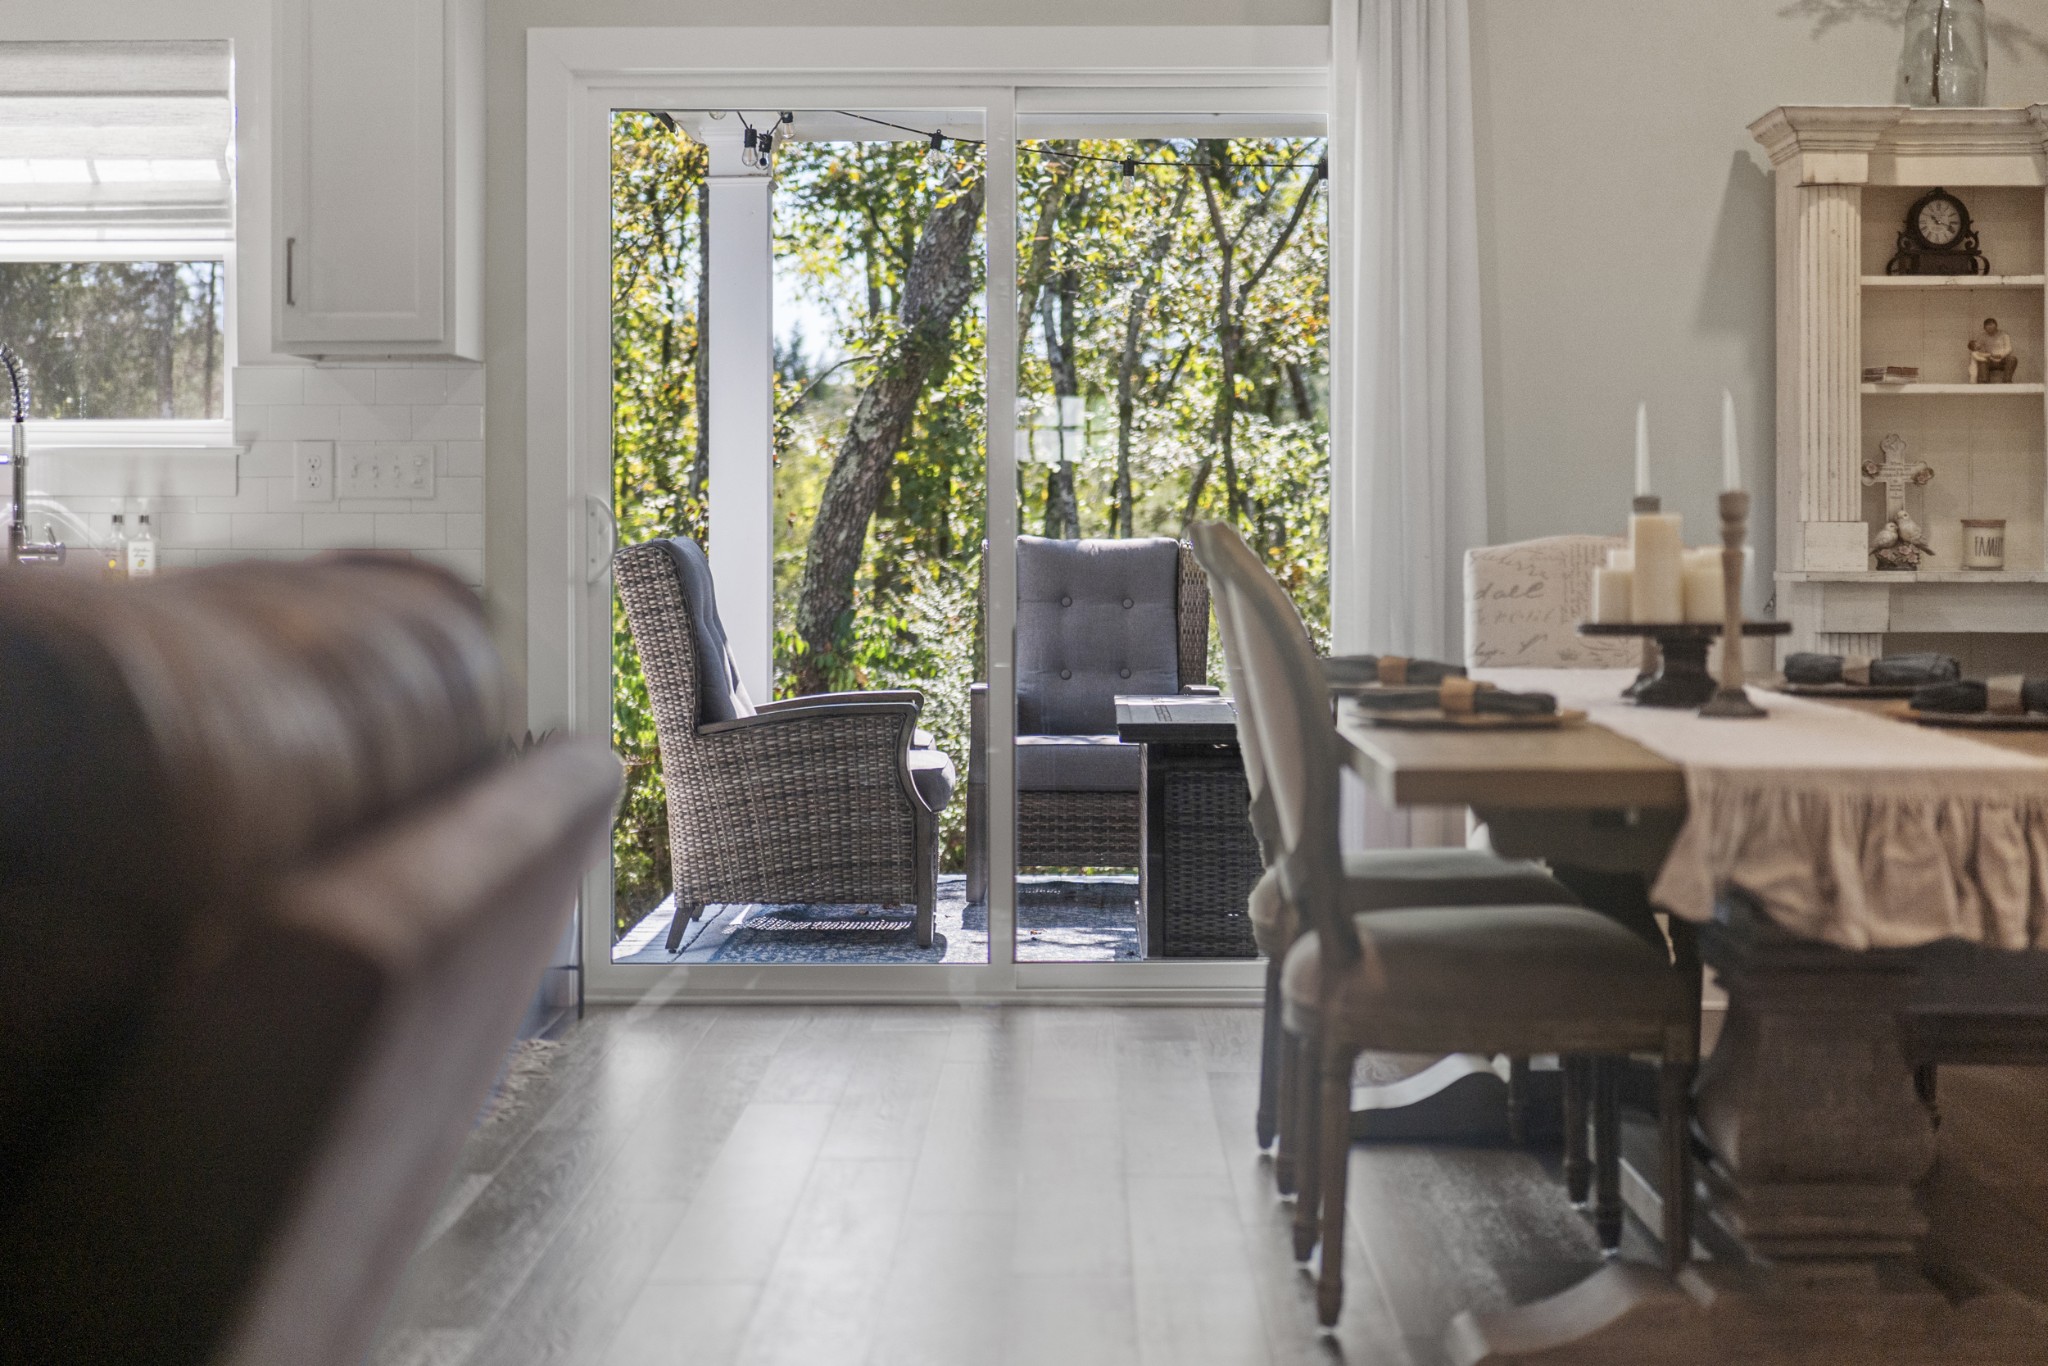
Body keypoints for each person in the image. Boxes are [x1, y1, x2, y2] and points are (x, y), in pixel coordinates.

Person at [1968, 317, 2017, 383]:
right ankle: (1984, 383)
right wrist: (1988, 355)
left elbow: (2009, 348)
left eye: (1992, 327)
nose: (1990, 330)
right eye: (1988, 328)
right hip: (1989, 360)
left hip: (2002, 359)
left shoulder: (2004, 335)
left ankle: (2007, 381)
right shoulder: (1982, 336)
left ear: (1996, 326)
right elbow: (1976, 348)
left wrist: (2000, 355)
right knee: (1982, 361)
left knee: (2012, 359)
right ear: (1984, 328)